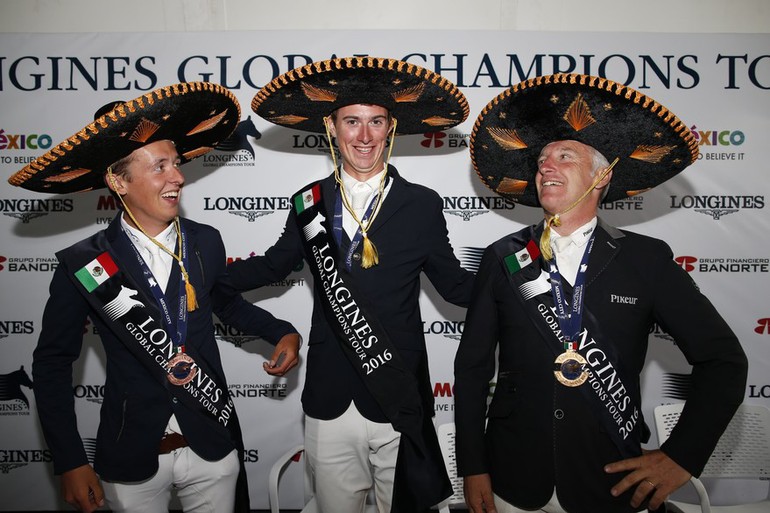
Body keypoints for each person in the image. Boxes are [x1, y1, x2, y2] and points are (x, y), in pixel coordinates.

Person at [454, 73, 748, 513]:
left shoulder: (646, 260)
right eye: (540, 162)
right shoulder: (503, 257)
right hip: (511, 480)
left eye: (564, 156)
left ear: (602, 175)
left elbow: (724, 361)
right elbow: (473, 368)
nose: (545, 167)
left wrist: (681, 457)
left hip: (608, 482)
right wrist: (472, 465)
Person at [8, 82, 301, 513]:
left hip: (212, 443)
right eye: (160, 166)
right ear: (118, 181)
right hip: (131, 454)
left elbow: (223, 302)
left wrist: (282, 331)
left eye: (176, 163)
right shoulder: (84, 264)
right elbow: (52, 365)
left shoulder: (205, 241)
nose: (178, 176)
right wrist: (69, 460)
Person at [228, 56, 475, 513]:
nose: (364, 136)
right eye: (352, 122)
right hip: (330, 396)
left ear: (390, 128)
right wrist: (199, 274)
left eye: (376, 122)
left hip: (398, 392)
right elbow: (271, 266)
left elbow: (457, 288)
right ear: (332, 126)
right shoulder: (308, 202)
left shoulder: (421, 203)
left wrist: (519, 277)